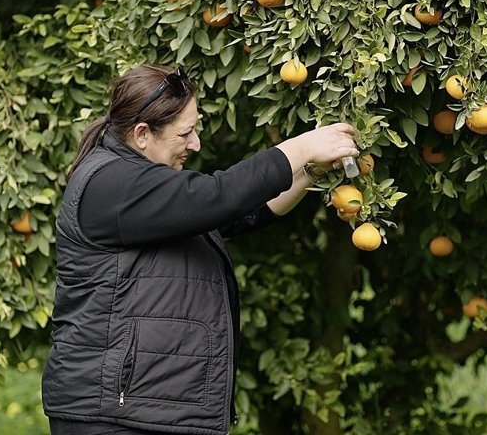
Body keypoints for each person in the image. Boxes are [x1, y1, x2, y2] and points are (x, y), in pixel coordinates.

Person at [41, 64, 359, 434]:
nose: (195, 144)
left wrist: (311, 171)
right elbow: (217, 197)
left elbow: (243, 212)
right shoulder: (111, 183)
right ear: (142, 134)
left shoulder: (151, 191)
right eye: (185, 133)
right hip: (112, 414)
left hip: (145, 408)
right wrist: (301, 147)